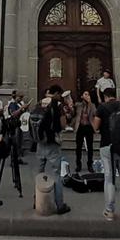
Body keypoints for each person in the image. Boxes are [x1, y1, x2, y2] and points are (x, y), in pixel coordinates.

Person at [94, 87, 120, 221]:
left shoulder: (102, 108)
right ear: (115, 96)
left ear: (105, 96)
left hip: (107, 145)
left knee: (109, 178)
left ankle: (109, 210)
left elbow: (95, 127)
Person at [35, 87, 71, 215]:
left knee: (39, 172)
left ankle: (37, 201)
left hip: (40, 142)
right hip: (52, 143)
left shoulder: (40, 103)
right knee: (56, 174)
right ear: (57, 94)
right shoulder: (57, 106)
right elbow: (62, 125)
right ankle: (59, 205)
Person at [74, 90, 97, 171]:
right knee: (78, 147)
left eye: (88, 94)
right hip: (80, 127)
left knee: (90, 147)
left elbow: (95, 113)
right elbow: (74, 112)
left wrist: (89, 103)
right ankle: (78, 164)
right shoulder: (78, 105)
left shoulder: (92, 105)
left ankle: (90, 164)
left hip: (88, 126)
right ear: (82, 96)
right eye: (85, 94)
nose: (87, 96)